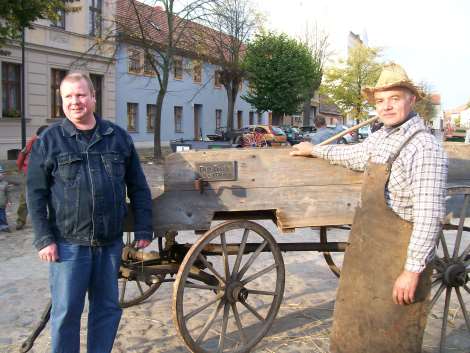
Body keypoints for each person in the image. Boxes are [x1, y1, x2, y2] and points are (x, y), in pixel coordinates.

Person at [291, 63, 448, 353]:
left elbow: (429, 216)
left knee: (389, 339)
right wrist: (315, 149)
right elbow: (354, 154)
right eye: (380, 101)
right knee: (354, 332)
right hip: (368, 255)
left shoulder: (424, 147)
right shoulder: (383, 136)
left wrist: (411, 271)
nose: (386, 106)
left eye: (394, 98)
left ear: (411, 100)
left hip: (399, 259)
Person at [27, 72, 153, 353]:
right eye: (68, 96)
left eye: (81, 95)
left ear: (93, 98)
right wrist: (44, 238)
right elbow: (35, 194)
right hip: (68, 244)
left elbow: (138, 186)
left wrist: (144, 227)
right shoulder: (50, 141)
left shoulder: (117, 137)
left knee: (107, 309)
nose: (75, 102)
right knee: (66, 313)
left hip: (109, 244)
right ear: (61, 101)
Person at [15, 125, 48, 230]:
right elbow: (23, 154)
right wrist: (20, 167)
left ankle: (45, 220)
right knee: (25, 197)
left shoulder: (50, 141)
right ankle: (20, 220)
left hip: (44, 171)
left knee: (47, 195)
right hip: (29, 172)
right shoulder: (33, 141)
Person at [0, 164, 11, 233]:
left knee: (2, 215)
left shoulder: (5, 184)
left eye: (1, 173)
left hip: (2, 203)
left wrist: (9, 201)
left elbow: (7, 193)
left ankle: (4, 226)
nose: (0, 175)